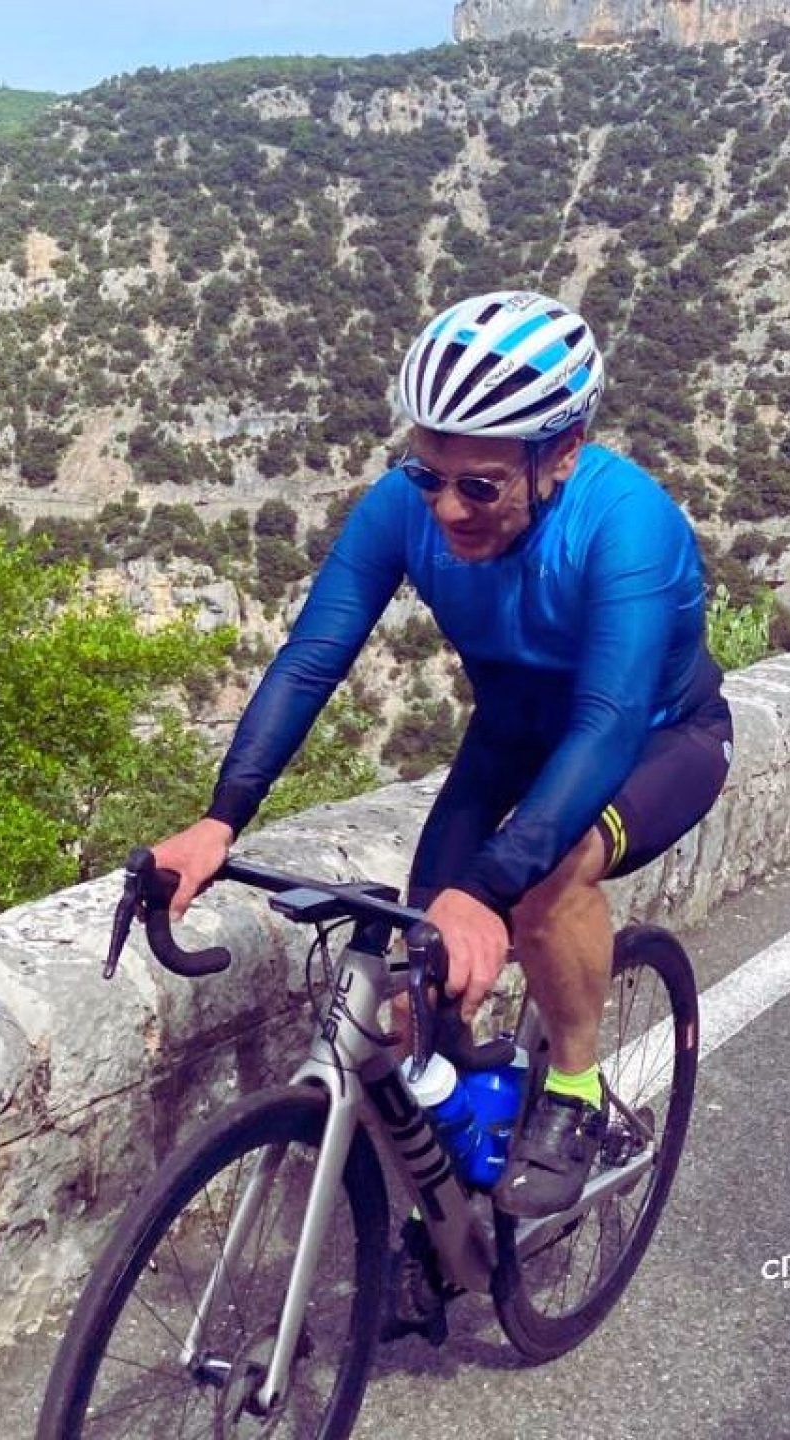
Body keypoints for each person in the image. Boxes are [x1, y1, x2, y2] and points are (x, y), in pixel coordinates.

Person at [148, 289, 732, 1218]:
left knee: (547, 883)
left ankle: (576, 1092)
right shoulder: (403, 510)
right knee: (422, 992)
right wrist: (221, 819)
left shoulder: (629, 525)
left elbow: (608, 721)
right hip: (510, 736)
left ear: (564, 454)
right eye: (429, 475)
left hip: (655, 739)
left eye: (482, 484)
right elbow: (311, 660)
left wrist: (491, 887)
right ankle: (453, 1198)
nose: (449, 508)